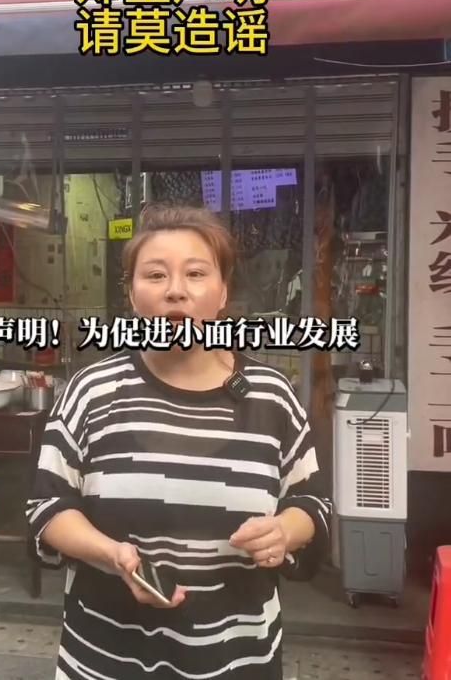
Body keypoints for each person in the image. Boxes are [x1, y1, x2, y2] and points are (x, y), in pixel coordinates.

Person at [26, 203, 332, 680]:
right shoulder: (92, 391)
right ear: (131, 294)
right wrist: (111, 555)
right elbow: (47, 508)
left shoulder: (271, 396)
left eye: (195, 273)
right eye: (155, 275)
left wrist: (285, 532)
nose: (175, 290)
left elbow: (312, 502)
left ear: (222, 292)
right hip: (104, 660)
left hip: (238, 660)